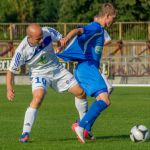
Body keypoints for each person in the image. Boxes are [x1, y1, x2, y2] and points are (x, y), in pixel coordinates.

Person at [6, 23, 86, 143]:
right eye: (38, 38)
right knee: (38, 97)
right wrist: (9, 88)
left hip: (57, 70)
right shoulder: (21, 51)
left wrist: (61, 44)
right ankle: (25, 133)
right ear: (30, 37)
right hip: (39, 73)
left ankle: (83, 126)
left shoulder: (47, 31)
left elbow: (61, 39)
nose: (42, 39)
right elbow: (10, 71)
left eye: (42, 36)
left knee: (81, 93)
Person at [57, 3, 117, 143]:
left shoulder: (100, 30)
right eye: (113, 19)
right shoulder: (95, 27)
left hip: (86, 68)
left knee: (103, 98)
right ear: (107, 16)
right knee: (104, 99)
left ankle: (85, 127)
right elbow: (78, 30)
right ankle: (81, 125)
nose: (113, 22)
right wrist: (66, 39)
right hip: (86, 68)